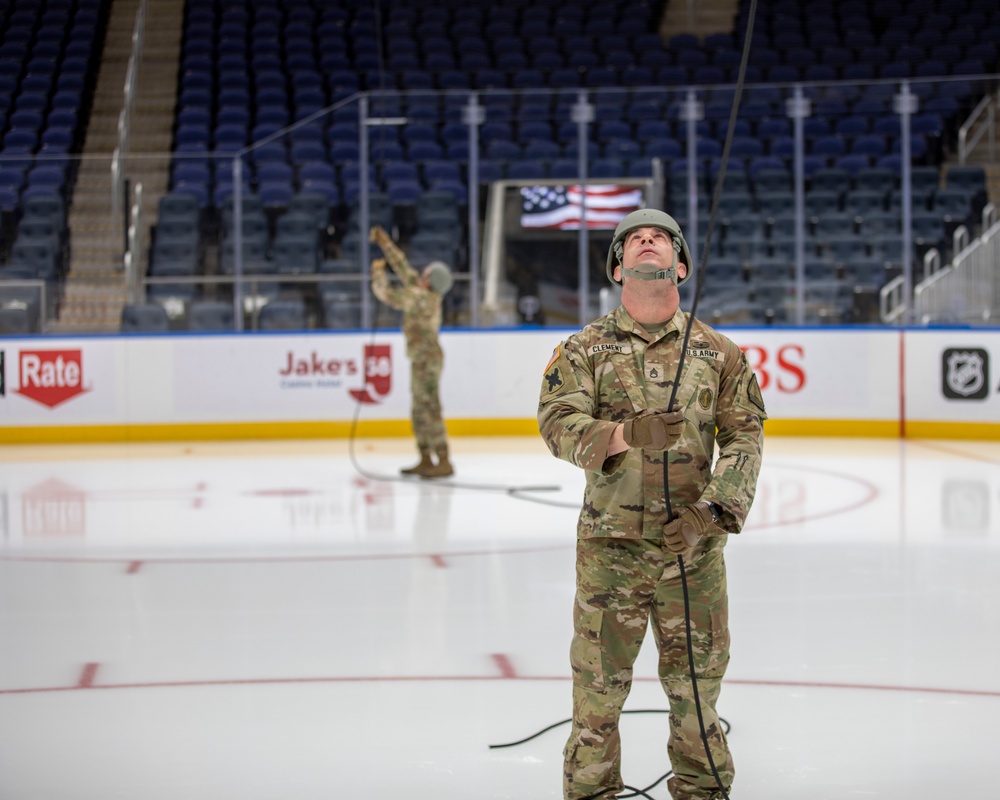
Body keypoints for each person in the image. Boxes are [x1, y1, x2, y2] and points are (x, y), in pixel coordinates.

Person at [537, 208, 767, 800]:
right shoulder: (583, 348)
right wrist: (624, 436)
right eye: (633, 238)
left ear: (680, 265)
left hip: (693, 554)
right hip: (611, 550)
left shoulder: (720, 353)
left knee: (696, 693)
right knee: (597, 695)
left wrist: (709, 514)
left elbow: (745, 439)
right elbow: (558, 422)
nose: (646, 240)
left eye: (660, 237)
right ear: (618, 268)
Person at [369, 224, 454, 478]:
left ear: (429, 280)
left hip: (426, 360)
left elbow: (386, 295)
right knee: (419, 409)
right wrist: (385, 243)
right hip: (422, 359)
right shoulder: (424, 292)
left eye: (425, 273)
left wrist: (377, 275)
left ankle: (443, 459)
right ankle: (426, 457)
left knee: (429, 408)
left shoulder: (420, 298)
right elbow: (403, 266)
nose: (420, 274)